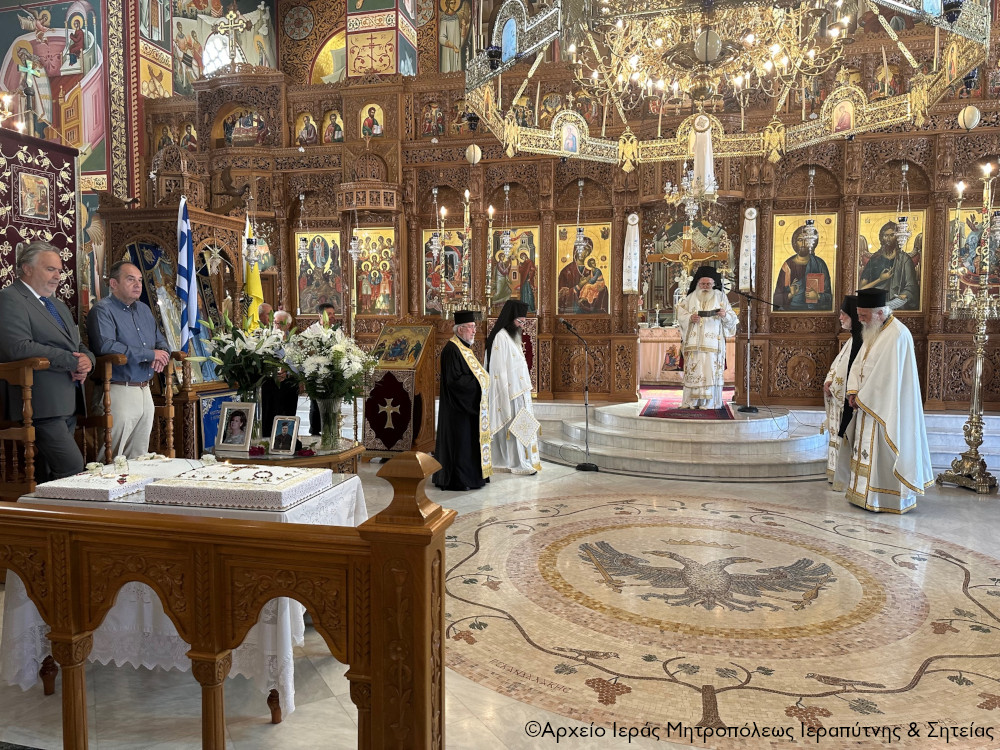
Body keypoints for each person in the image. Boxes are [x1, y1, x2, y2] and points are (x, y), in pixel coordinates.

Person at [0, 241, 95, 481]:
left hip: (68, 402)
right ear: (27, 268)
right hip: (39, 403)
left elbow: (77, 345)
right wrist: (71, 361)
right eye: (50, 269)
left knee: (51, 476)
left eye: (59, 271)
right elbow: (18, 347)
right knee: (73, 469)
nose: (57, 276)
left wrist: (87, 360)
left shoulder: (57, 305)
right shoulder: (10, 298)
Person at [839, 288, 933, 513]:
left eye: (864, 315)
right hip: (866, 405)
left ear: (880, 313)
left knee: (883, 452)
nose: (860, 320)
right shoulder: (873, 329)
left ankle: (884, 499)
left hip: (886, 408)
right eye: (859, 315)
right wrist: (853, 391)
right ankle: (862, 494)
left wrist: (862, 397)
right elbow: (859, 363)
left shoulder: (897, 334)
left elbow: (886, 377)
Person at [87, 261, 170, 458]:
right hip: (118, 387)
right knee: (113, 454)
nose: (137, 285)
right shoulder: (102, 310)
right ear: (113, 284)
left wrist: (162, 354)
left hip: (145, 388)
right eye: (130, 279)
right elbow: (106, 345)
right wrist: (150, 355)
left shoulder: (144, 309)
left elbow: (160, 341)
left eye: (139, 280)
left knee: (139, 453)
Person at [433, 310, 492, 490]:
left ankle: (473, 477)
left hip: (466, 408)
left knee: (469, 443)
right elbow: (455, 382)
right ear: (460, 330)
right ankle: (459, 480)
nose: (474, 331)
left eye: (474, 327)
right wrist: (479, 384)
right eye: (471, 327)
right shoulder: (452, 350)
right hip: (457, 410)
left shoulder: (464, 348)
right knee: (460, 444)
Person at [486, 300, 541, 475]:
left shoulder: (512, 337)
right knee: (514, 427)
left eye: (524, 322)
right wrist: (504, 394)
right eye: (520, 321)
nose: (522, 325)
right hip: (510, 393)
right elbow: (497, 369)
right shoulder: (500, 337)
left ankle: (526, 460)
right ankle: (517, 464)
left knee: (522, 426)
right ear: (510, 319)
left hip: (520, 391)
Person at [675, 266, 738, 409]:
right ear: (697, 283)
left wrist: (724, 315)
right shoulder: (690, 297)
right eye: (702, 284)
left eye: (708, 284)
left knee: (710, 371)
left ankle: (710, 403)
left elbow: (732, 317)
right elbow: (680, 313)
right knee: (694, 370)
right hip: (694, 343)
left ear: (714, 283)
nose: (705, 287)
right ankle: (692, 402)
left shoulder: (721, 296)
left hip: (713, 344)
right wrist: (690, 317)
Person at [822, 295, 863, 490]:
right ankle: (836, 474)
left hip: (846, 401)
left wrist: (833, 387)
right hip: (838, 400)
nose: (840, 318)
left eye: (843, 314)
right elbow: (838, 366)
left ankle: (842, 476)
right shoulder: (852, 339)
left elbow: (851, 373)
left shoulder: (861, 341)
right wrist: (828, 381)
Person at [858, 221, 919, 310]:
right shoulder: (875, 259)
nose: (888, 239)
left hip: (898, 305)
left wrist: (901, 297)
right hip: (875, 303)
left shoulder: (904, 259)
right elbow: (861, 289)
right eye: (885, 235)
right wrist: (880, 279)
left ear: (897, 237)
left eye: (892, 235)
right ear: (881, 238)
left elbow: (911, 286)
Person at [772, 225, 833, 310]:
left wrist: (818, 296)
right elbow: (775, 299)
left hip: (815, 311)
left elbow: (830, 297)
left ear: (812, 243)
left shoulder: (819, 264)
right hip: (791, 310)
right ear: (795, 242)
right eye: (800, 240)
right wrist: (790, 294)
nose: (803, 244)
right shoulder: (787, 266)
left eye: (807, 240)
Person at [260, 310, 299, 438]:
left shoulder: (295, 340)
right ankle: (267, 440)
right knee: (270, 414)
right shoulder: (266, 338)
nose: (277, 326)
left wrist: (287, 372)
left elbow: (299, 362)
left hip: (289, 383)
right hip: (270, 383)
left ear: (288, 325)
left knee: (288, 414)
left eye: (280, 323)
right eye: (275, 323)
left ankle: (286, 441)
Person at [309, 303, 338, 435]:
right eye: (329, 314)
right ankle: (315, 431)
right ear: (320, 315)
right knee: (316, 404)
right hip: (316, 373)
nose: (332, 316)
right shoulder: (311, 331)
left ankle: (330, 430)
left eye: (333, 314)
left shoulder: (336, 330)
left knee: (331, 403)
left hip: (333, 373)